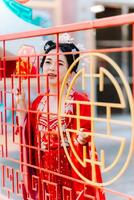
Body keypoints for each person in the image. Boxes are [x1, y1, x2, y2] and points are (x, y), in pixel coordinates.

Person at [15, 33, 106, 200]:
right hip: (44, 170)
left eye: (59, 63)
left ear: (71, 71)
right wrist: (22, 111)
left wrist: (81, 139)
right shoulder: (38, 102)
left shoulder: (80, 101)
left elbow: (86, 134)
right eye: (48, 62)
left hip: (70, 170)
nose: (51, 68)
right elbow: (30, 137)